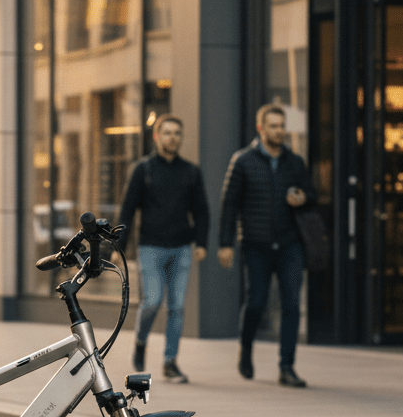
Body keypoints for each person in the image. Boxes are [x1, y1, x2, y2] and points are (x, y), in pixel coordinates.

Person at [218, 104, 317, 388]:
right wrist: (225, 243)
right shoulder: (243, 160)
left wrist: (303, 198)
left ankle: (287, 367)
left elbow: (311, 194)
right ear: (261, 129)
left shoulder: (294, 162)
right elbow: (229, 205)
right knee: (257, 302)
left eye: (282, 126)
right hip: (256, 243)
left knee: (291, 304)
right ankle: (246, 348)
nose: (279, 131)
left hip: (290, 243)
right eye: (273, 126)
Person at [117, 114, 209, 382]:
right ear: (157, 137)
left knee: (177, 307)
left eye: (177, 133)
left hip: (181, 247)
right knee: (153, 301)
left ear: (181, 138)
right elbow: (127, 210)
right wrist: (118, 245)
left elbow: (202, 211)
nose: (172, 138)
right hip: (151, 247)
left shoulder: (191, 172)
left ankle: (170, 361)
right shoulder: (143, 169)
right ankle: (141, 340)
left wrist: (201, 243)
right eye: (167, 133)